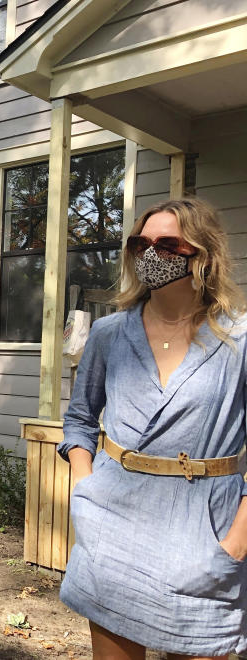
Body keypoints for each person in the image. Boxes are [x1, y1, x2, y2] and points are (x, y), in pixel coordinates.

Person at [58, 197, 247, 658]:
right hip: (112, 524)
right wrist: (85, 492)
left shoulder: (239, 339)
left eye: (167, 244)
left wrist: (237, 543)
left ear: (202, 254)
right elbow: (80, 419)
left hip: (204, 533)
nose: (150, 254)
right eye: (140, 243)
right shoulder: (108, 334)